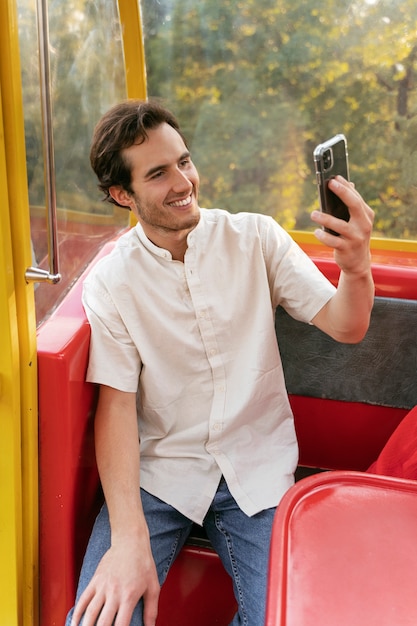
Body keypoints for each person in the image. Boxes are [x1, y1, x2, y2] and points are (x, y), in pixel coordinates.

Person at [66, 99, 375, 626]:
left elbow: (348, 324)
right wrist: (128, 539)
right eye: (159, 173)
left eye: (183, 161)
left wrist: (357, 264)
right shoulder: (111, 283)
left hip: (257, 468)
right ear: (123, 194)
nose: (183, 181)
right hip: (159, 474)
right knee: (96, 621)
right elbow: (116, 409)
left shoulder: (256, 237)